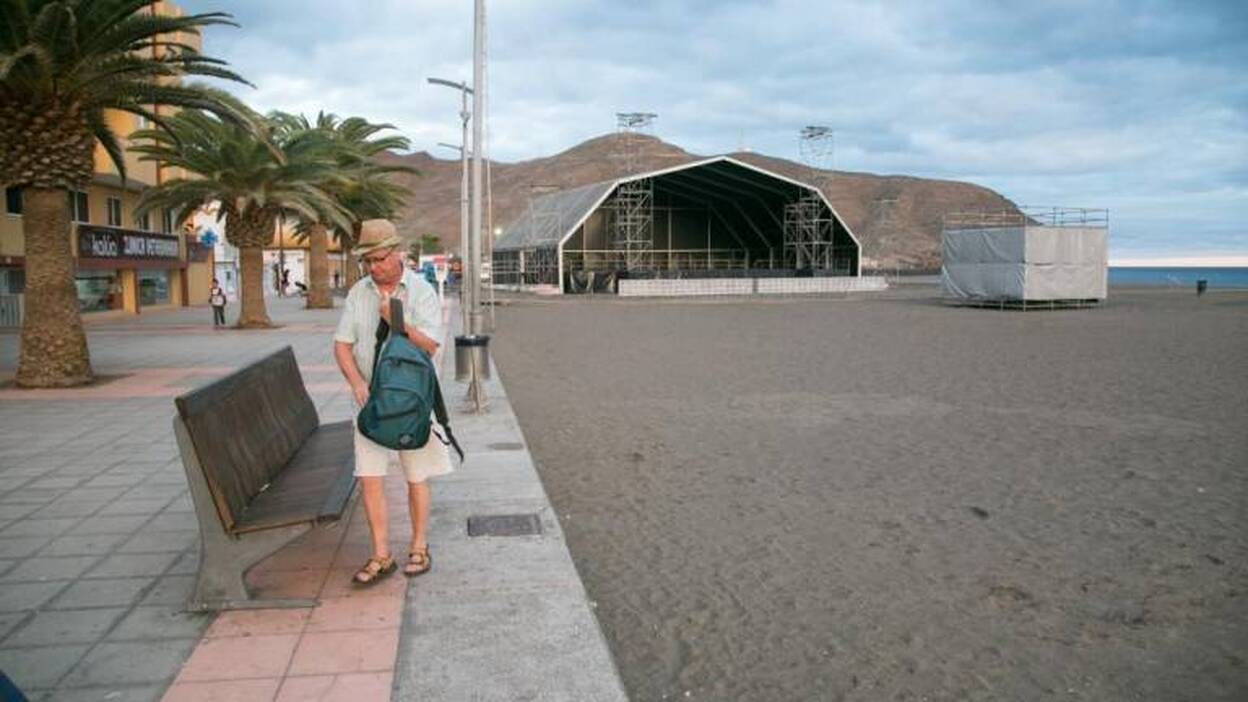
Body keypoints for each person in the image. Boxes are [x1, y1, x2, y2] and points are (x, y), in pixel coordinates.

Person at [333, 219, 451, 585]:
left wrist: (394, 321)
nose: (374, 267)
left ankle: (419, 546)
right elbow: (342, 345)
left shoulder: (421, 291)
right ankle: (380, 554)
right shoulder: (359, 293)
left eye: (380, 259)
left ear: (398, 252)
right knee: (370, 478)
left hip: (412, 404)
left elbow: (430, 346)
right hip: (371, 405)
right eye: (367, 261)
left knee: (416, 477)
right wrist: (355, 383)